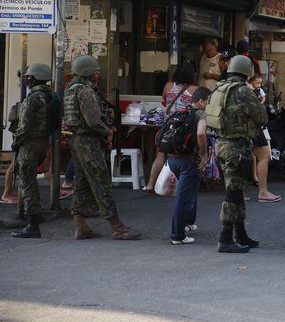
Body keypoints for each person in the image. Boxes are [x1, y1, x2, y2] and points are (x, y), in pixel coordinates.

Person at [65, 55, 140, 240]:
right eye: (95, 70)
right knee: (101, 182)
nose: (98, 73)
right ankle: (118, 227)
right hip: (89, 142)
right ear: (86, 72)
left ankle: (80, 226)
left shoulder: (71, 89)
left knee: (81, 184)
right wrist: (108, 131)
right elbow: (93, 120)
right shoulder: (85, 91)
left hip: (77, 141)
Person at [210, 55, 268, 253]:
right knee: (232, 194)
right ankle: (225, 239)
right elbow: (261, 117)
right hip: (237, 147)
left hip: (221, 144)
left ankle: (240, 235)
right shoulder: (243, 91)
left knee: (237, 191)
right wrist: (259, 101)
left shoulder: (220, 88)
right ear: (246, 71)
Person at [11, 64, 55, 238]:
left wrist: (16, 143)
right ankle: (33, 222)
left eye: (29, 77)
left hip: (29, 144)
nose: (27, 80)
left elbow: (24, 126)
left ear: (34, 78)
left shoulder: (33, 99)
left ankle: (33, 225)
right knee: (31, 183)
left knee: (28, 184)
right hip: (43, 142)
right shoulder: (52, 96)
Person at [144, 62, 199, 193]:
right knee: (187, 155)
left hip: (168, 125)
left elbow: (164, 100)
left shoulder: (168, 86)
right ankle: (181, 187)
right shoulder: (194, 90)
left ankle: (150, 184)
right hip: (184, 128)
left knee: (161, 154)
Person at [167, 87, 211, 245]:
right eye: (208, 101)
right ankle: (177, 235)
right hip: (189, 161)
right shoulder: (200, 113)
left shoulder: (181, 111)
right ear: (201, 101)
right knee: (183, 197)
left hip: (173, 158)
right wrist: (204, 156)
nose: (209, 105)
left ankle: (187, 223)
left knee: (188, 192)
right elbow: (200, 134)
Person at [249, 74, 281, 203]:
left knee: (238, 158)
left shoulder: (226, 86)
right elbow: (257, 112)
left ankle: (236, 194)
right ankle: (263, 192)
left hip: (231, 131)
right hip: (251, 126)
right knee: (264, 155)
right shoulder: (247, 90)